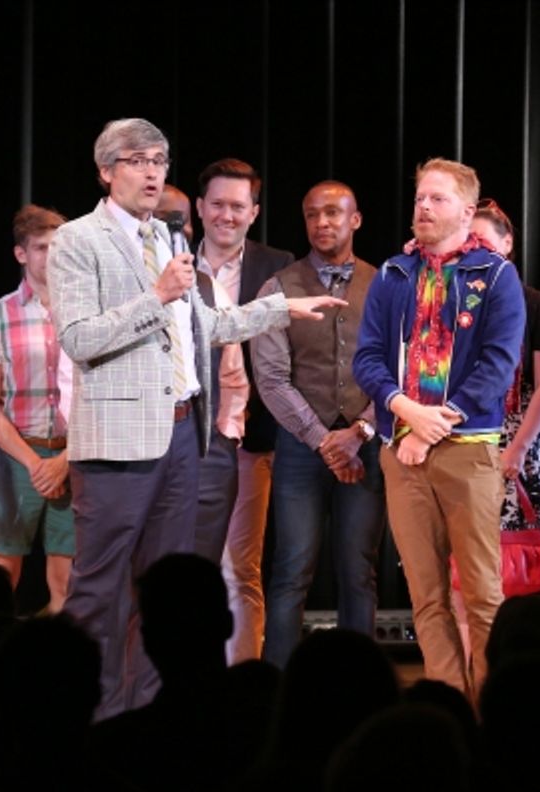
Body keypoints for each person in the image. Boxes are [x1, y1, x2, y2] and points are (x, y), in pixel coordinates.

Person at [46, 117, 342, 718]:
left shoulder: (167, 239)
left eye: (160, 160)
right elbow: (78, 339)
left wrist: (282, 308)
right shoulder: (79, 240)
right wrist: (155, 295)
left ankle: (148, 717)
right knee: (100, 589)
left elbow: (205, 326)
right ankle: (87, 721)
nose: (153, 172)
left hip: (185, 434)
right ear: (105, 170)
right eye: (138, 160)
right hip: (119, 443)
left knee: (166, 593)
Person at [353, 158, 524, 701]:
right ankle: (447, 704)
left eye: (438, 199)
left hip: (467, 449)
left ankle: (493, 710)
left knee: (482, 593)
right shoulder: (394, 273)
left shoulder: (495, 275)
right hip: (402, 448)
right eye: (419, 198)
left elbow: (498, 366)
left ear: (467, 212)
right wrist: (405, 411)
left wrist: (431, 428)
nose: (423, 207)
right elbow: (367, 359)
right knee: (426, 596)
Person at [252, 180, 386, 667]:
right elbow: (271, 378)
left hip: (366, 443)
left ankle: (360, 682)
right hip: (299, 448)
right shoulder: (278, 288)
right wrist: (324, 441)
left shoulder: (387, 285)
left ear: (356, 220)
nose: (322, 222)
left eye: (333, 213)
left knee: (358, 570)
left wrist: (359, 432)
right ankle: (277, 683)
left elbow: (401, 372)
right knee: (292, 570)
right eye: (312, 214)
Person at [193, 158, 295, 663]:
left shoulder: (278, 266)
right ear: (199, 207)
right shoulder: (170, 264)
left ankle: (242, 682)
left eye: (238, 206)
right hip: (176, 441)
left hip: (249, 440)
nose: (226, 215)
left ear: (254, 212)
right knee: (181, 567)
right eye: (217, 204)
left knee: (239, 568)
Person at [0, 205, 74, 611]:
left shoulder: (86, 313)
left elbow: (99, 395)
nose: (52, 256)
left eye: (59, 247)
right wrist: (35, 464)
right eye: (42, 247)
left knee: (68, 579)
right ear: (21, 254)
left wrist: (63, 460)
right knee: (0, 574)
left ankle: (65, 648)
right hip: (15, 457)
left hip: (73, 455)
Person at [470, 199, 540, 574]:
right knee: (468, 561)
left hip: (522, 443)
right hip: (467, 437)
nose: (475, 251)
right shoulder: (455, 303)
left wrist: (517, 449)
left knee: (522, 564)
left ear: (507, 243)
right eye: (466, 243)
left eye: (483, 241)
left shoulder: (536, 304)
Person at [156, 183, 250, 566]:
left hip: (205, 448)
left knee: (198, 568)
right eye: (165, 221)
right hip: (138, 450)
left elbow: (232, 374)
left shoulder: (207, 289)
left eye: (183, 223)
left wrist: (226, 434)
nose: (177, 232)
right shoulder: (117, 284)